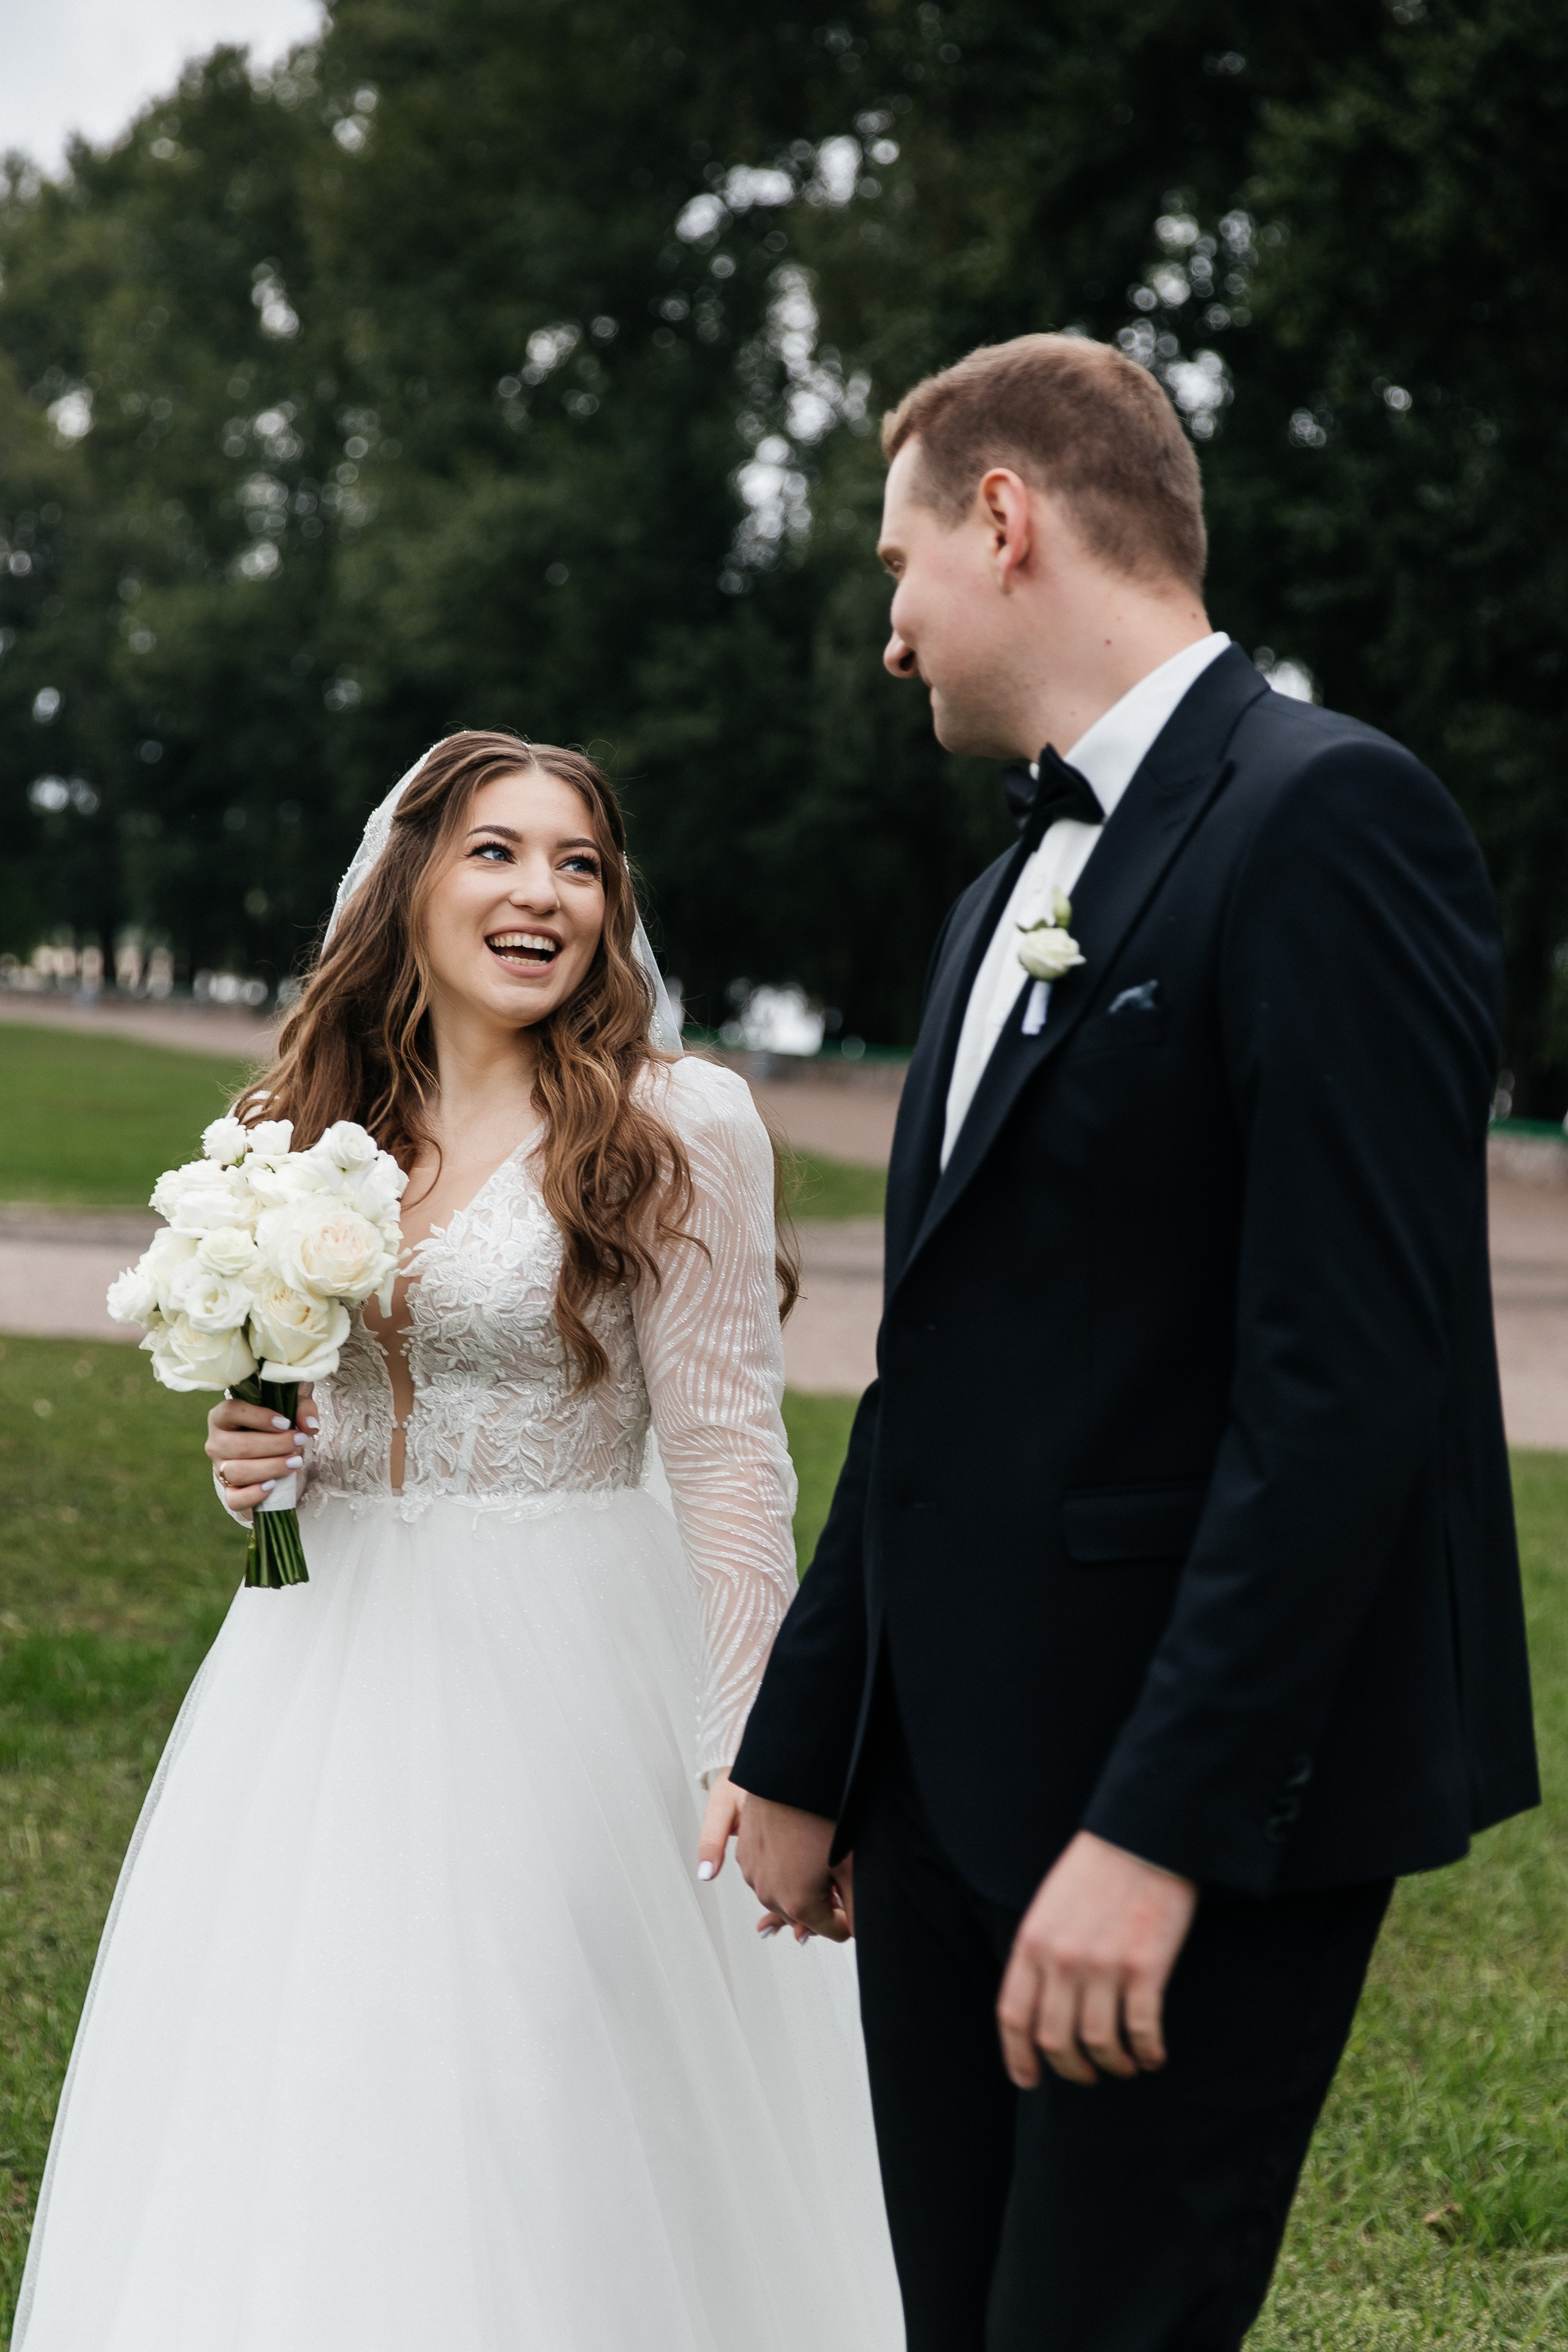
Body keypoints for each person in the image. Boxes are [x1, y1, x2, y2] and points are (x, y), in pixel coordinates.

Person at [733, 333, 1539, 2351]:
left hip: (1180, 1808)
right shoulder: (1000, 890)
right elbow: (940, 1361)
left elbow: (1346, 1388)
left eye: (899, 568)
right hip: (942, 1796)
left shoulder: (1334, 818)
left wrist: (1159, 1836)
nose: (893, 638)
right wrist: (814, 1748)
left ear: (1005, 521)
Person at [16, 731, 900, 2351]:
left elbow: (728, 1451)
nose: (541, 894)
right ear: (411, 879)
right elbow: (312, 1409)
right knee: (312, 2062)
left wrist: (751, 1738)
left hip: (568, 1663)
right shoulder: (304, 1125)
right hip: (323, 1665)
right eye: (497, 852)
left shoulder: (675, 1121)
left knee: (534, 2063)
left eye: (579, 865)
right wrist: (255, 1460)